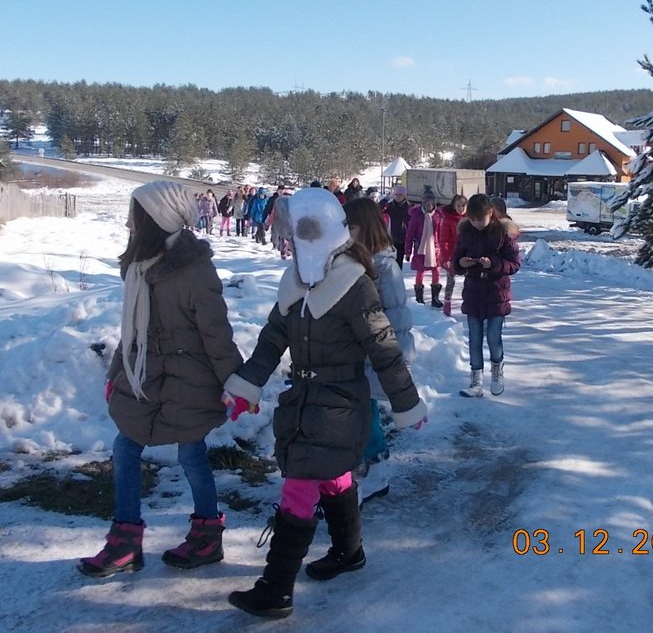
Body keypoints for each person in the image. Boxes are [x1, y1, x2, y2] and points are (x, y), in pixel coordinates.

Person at [221, 187, 427, 619]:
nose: (300, 238)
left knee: (300, 483)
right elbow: (271, 340)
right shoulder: (296, 282)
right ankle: (349, 552)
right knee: (333, 477)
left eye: (308, 229)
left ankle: (275, 590)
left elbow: (384, 347)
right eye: (299, 230)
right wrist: (246, 386)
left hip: (340, 403)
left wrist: (406, 403)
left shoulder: (355, 284)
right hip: (304, 398)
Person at [78, 180, 244, 578]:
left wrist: (236, 384)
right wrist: (117, 371)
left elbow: (216, 334)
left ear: (157, 217)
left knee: (190, 453)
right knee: (125, 447)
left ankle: (207, 535)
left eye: (136, 215)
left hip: (189, 381)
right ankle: (125, 541)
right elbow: (131, 331)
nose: (129, 223)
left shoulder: (195, 270)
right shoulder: (139, 266)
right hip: (144, 377)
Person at [342, 197, 415, 505]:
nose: (346, 233)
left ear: (366, 228)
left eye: (351, 227)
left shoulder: (384, 268)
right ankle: (371, 469)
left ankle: (374, 470)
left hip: (375, 354)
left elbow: (396, 316)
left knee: (364, 412)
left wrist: (393, 357)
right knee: (362, 411)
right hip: (357, 353)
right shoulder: (357, 263)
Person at [453, 194, 521, 398]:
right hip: (473, 292)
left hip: (496, 293)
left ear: (490, 213)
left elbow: (514, 263)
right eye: (472, 219)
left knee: (493, 337)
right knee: (474, 339)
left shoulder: (502, 233)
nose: (475, 223)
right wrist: (460, 263)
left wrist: (493, 264)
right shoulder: (466, 231)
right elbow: (456, 258)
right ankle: (476, 380)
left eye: (479, 219)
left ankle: (497, 371)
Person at [405, 187, 443, 307]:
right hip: (420, 248)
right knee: (420, 271)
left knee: (436, 271)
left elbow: (442, 234)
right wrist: (407, 251)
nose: (429, 205)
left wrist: (444, 249)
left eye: (431, 203)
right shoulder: (417, 216)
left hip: (435, 248)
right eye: (427, 203)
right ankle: (419, 297)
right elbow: (410, 234)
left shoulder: (438, 216)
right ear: (423, 203)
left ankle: (435, 298)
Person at [436, 194, 468, 317]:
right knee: (451, 280)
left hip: (467, 255)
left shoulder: (470, 219)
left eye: (463, 206)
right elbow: (444, 240)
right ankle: (447, 302)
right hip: (453, 255)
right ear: (454, 206)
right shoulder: (448, 220)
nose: (461, 208)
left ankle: (468, 301)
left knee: (469, 280)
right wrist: (446, 257)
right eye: (458, 206)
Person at [383, 185, 411, 269]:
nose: (398, 197)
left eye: (400, 195)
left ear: (404, 196)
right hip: (392, 236)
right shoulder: (390, 206)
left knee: (399, 260)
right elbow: (379, 211)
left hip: (403, 237)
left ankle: (398, 274)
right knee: (391, 260)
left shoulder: (408, 207)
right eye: (396, 194)